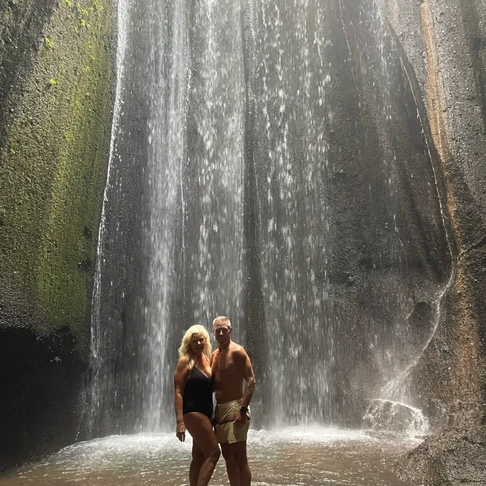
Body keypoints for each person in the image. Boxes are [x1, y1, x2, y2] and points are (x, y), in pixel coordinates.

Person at [211, 316, 256, 486]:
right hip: (220, 410)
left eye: (224, 329)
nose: (221, 333)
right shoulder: (213, 355)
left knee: (239, 456)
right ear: (213, 332)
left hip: (236, 406)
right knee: (228, 457)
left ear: (230, 330)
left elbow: (251, 380)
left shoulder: (238, 351)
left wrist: (243, 409)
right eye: (218, 330)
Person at [174, 325, 220, 486]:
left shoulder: (207, 360)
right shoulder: (185, 361)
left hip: (207, 412)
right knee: (214, 453)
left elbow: (209, 387)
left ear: (206, 341)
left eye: (201, 340)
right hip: (192, 412)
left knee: (199, 456)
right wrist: (180, 422)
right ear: (189, 343)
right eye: (195, 341)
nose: (198, 344)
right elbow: (178, 391)